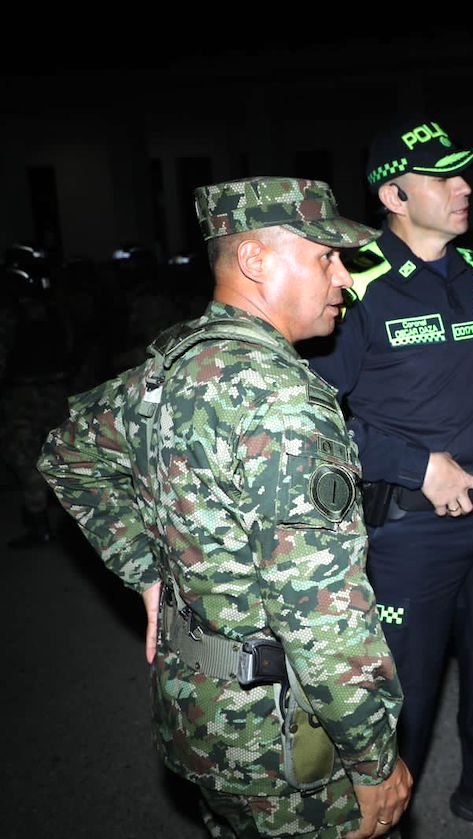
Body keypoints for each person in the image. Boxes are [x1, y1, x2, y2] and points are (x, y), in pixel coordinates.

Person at [39, 177, 413, 838]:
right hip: (279, 738)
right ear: (255, 261)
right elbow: (321, 614)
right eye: (326, 256)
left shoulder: (167, 367)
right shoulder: (279, 400)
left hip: (197, 713)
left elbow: (68, 451)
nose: (346, 279)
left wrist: (148, 575)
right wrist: (374, 757)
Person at [307, 117, 473, 839]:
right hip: (409, 534)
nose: (464, 187)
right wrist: (415, 462)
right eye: (444, 176)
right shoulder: (353, 286)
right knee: (401, 698)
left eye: (463, 174)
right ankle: (380, 821)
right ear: (394, 192)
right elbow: (312, 418)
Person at [0, 243, 72, 548]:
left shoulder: (11, 307)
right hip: (56, 389)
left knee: (26, 457)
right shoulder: (51, 304)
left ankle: (39, 522)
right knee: (58, 455)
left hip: (24, 394)